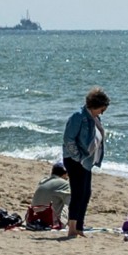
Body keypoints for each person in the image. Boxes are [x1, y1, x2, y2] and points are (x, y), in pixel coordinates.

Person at [61, 87, 110, 238]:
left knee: (86, 194)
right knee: (78, 193)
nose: (102, 112)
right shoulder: (78, 116)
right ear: (96, 105)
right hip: (75, 160)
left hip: (87, 161)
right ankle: (72, 228)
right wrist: (78, 157)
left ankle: (79, 228)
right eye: (102, 109)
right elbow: (69, 139)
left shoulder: (95, 119)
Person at [30, 161, 72, 225]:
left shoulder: (43, 182)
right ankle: (73, 224)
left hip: (33, 218)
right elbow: (71, 204)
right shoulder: (64, 184)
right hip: (51, 221)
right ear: (64, 174)